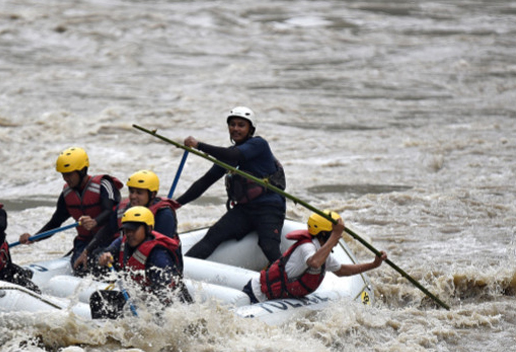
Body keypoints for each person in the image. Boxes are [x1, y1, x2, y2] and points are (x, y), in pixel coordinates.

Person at [175, 106, 287, 265]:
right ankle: (180, 270)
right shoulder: (227, 155)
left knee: (268, 246)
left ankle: (287, 280)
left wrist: (199, 145)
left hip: (269, 207)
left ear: (250, 129)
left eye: (241, 125)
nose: (235, 128)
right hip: (245, 210)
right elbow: (205, 181)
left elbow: (235, 155)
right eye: (232, 124)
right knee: (213, 235)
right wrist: (176, 204)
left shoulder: (258, 144)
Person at [242, 210, 387, 303]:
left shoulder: (322, 252)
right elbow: (314, 263)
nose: (338, 238)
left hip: (274, 295)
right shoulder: (307, 248)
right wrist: (335, 235)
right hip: (257, 293)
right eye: (334, 234)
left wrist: (373, 265)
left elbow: (342, 271)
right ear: (324, 234)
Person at [18, 147, 122, 275]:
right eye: (63, 174)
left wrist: (95, 222)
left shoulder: (104, 185)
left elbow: (111, 212)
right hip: (84, 242)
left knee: (96, 263)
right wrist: (33, 238)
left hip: (109, 240)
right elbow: (55, 222)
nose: (66, 178)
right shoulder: (67, 194)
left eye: (69, 174)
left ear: (82, 170)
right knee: (80, 267)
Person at [91, 206, 192, 319]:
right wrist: (102, 258)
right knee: (98, 299)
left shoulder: (159, 256)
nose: (129, 234)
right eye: (127, 230)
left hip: (171, 305)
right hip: (144, 300)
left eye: (134, 230)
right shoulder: (122, 242)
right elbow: (101, 254)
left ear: (148, 229)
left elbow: (165, 295)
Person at [74, 169, 181, 270]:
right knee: (93, 260)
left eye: (139, 193)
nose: (133, 196)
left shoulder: (164, 215)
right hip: (130, 254)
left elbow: (159, 247)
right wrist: (87, 251)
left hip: (156, 261)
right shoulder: (124, 208)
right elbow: (108, 230)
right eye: (131, 191)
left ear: (152, 194)